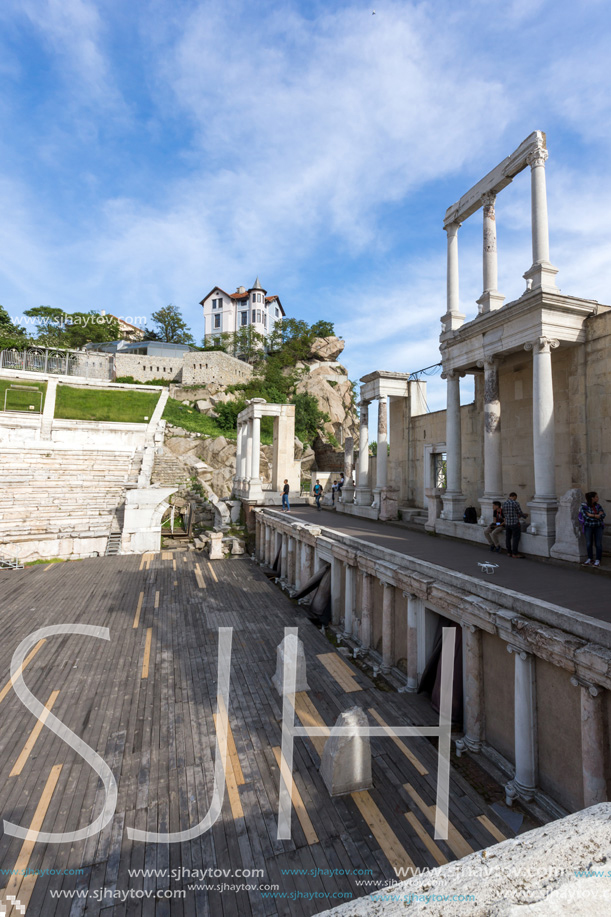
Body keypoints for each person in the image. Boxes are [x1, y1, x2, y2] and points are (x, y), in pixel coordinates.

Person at [580, 491, 606, 566]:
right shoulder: (584, 506)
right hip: (588, 527)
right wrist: (597, 516)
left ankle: (598, 559)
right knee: (589, 543)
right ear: (592, 498)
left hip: (598, 527)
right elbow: (586, 517)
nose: (598, 498)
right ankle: (590, 558)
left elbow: (603, 515)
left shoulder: (598, 506)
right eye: (596, 497)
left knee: (598, 543)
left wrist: (592, 515)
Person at [502, 492, 528, 557]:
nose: (515, 499)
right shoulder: (515, 503)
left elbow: (504, 514)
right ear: (513, 496)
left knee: (508, 538)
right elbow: (519, 512)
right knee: (515, 538)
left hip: (507, 523)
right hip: (514, 523)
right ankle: (515, 553)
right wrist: (525, 516)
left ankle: (509, 552)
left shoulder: (504, 503)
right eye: (515, 498)